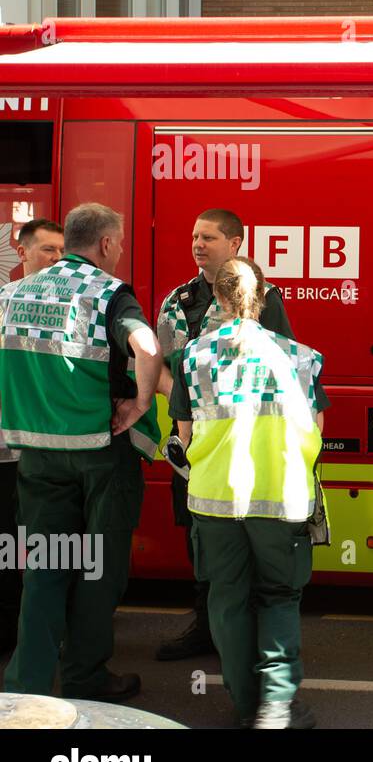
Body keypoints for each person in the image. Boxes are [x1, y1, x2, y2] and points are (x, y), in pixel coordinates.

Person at [0, 203, 161, 702]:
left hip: (37, 455)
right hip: (100, 453)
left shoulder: (10, 294)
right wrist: (139, 403)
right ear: (107, 244)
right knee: (98, 569)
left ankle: (26, 687)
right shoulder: (109, 292)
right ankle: (85, 680)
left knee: (44, 570)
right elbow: (147, 346)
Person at [169, 256, 326, 729]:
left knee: (227, 599)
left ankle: (244, 705)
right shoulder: (299, 357)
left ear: (216, 297)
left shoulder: (192, 356)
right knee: (278, 597)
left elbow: (183, 435)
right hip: (280, 498)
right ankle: (277, 708)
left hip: (214, 500)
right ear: (263, 298)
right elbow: (316, 431)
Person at [154, 208, 300, 662]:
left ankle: (247, 630)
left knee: (249, 536)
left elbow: (284, 364)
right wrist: (188, 401)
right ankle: (207, 625)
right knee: (199, 537)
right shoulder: (177, 301)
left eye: (210, 237)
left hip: (249, 443)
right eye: (195, 236)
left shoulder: (266, 298)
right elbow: (162, 367)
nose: (198, 244)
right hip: (195, 446)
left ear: (235, 243)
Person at [0, 219, 65, 657]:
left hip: (50, 449)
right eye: (47, 251)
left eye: (62, 251)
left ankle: (47, 631)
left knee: (53, 546)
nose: (57, 260)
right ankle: (10, 633)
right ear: (22, 254)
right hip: (8, 451)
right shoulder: (3, 304)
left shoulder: (69, 305)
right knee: (8, 545)